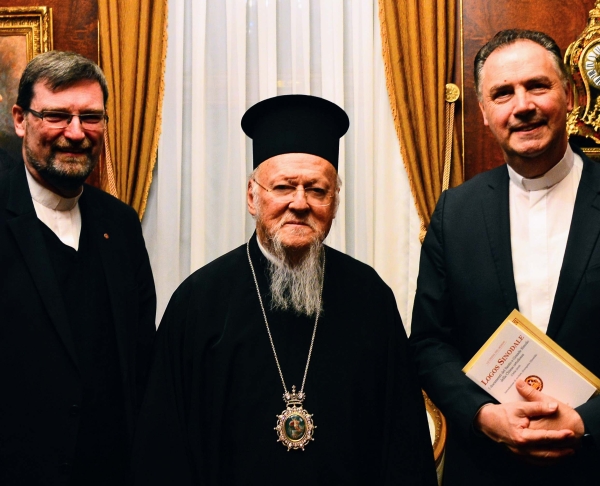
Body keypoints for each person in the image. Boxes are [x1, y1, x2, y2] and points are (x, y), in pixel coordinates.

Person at [133, 94, 437, 485]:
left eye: (317, 189)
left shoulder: (370, 297)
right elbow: (164, 445)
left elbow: (402, 442)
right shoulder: (198, 302)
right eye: (283, 187)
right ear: (251, 197)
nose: (300, 203)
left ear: (334, 202)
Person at [410, 29, 600, 486]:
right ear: (483, 113)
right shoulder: (455, 212)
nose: (522, 106)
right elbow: (430, 344)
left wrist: (586, 421)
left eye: (537, 85)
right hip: (484, 470)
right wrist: (482, 415)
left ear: (569, 94)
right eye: (502, 93)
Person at [0, 51, 156, 485]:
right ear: (20, 119)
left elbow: (141, 362)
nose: (76, 133)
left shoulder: (121, 225)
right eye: (56, 115)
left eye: (91, 117)